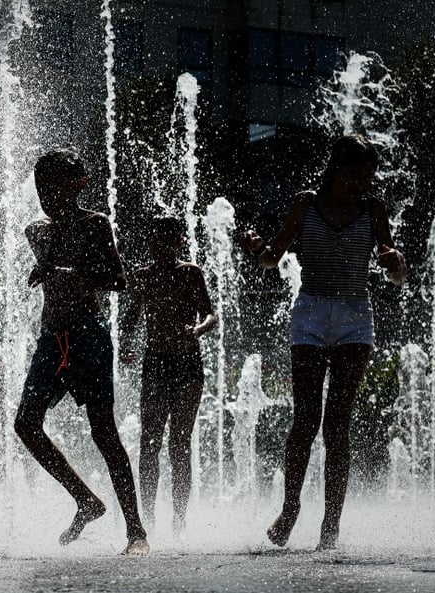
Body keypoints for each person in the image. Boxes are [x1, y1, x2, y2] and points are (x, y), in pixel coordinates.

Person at [241, 135, 406, 550]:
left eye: (367, 176)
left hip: (355, 318)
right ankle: (291, 508)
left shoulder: (373, 210)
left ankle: (330, 527)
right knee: (305, 420)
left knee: (337, 426)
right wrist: (256, 248)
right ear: (335, 168)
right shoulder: (306, 204)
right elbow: (271, 258)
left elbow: (396, 273)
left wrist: (396, 263)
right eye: (354, 174)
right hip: (311, 315)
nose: (360, 184)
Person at [14, 147, 149, 556]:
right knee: (25, 424)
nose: (45, 195)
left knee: (104, 432)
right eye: (40, 188)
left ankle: (136, 533)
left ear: (78, 186)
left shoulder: (95, 225)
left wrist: (63, 272)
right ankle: (86, 499)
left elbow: (117, 279)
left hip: (88, 336)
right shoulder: (35, 231)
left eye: (53, 187)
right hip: (51, 340)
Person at [120, 215, 216, 534]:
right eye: (153, 241)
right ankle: (146, 517)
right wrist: (124, 345)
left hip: (187, 363)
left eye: (164, 241)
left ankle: (179, 518)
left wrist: (199, 329)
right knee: (149, 442)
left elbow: (211, 313)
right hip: (156, 363)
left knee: (179, 443)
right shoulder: (143, 277)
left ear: (176, 243)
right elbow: (131, 316)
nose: (157, 247)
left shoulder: (190, 273)